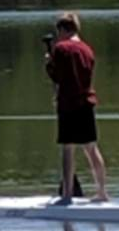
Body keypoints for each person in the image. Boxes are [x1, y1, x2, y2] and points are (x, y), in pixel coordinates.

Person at [44, 10, 107, 205]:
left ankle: (67, 195)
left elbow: (57, 77)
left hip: (69, 104)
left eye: (58, 31)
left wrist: (48, 64)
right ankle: (102, 192)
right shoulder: (87, 49)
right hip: (86, 103)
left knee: (68, 149)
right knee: (91, 148)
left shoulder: (61, 48)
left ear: (63, 29)